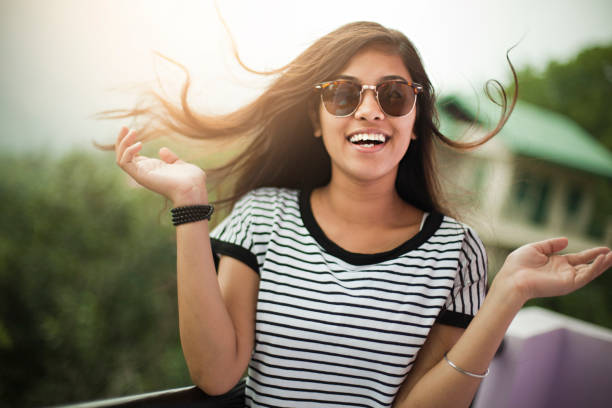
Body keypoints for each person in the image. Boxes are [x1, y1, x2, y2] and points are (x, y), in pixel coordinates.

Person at [111, 21, 612, 408]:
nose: (370, 110)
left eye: (393, 95)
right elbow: (216, 374)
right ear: (315, 117)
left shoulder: (455, 252)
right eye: (344, 94)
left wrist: (508, 294)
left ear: (415, 120)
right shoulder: (262, 218)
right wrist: (190, 205)